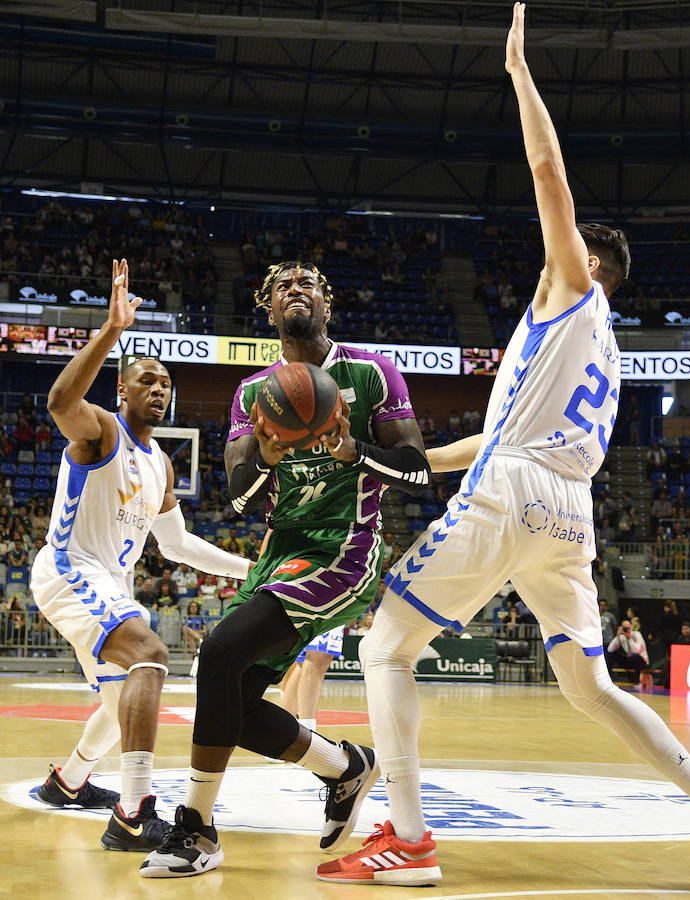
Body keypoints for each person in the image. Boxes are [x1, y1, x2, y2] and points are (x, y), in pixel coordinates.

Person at [317, 7, 690, 887]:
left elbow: (547, 172)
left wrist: (518, 76)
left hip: (516, 493)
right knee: (588, 688)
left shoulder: (573, 292)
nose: (543, 258)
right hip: (565, 513)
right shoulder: (592, 353)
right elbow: (498, 442)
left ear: (583, 264)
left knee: (384, 645)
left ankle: (410, 840)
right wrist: (413, 464)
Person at [141, 259, 431, 877]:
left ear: (328, 301)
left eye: (307, 284)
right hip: (282, 551)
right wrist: (268, 457)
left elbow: (416, 468)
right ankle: (345, 767)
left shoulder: (372, 373)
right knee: (232, 699)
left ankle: (196, 832)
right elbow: (240, 497)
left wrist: (354, 451)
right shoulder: (254, 393)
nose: (295, 292)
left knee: (219, 652)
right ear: (266, 308)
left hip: (345, 546)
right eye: (282, 288)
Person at [30, 260, 252, 852]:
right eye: (148, 381)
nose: (160, 391)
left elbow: (177, 545)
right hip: (70, 571)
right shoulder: (100, 429)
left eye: (166, 385)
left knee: (119, 702)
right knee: (151, 656)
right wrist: (109, 331)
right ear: (123, 387)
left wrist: (250, 570)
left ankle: (68, 782)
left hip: (109, 585)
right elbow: (57, 401)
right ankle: (133, 813)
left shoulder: (162, 464)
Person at [279, 624, 346, 731]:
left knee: (303, 663)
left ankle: (287, 728)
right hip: (325, 610)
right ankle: (307, 733)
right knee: (318, 660)